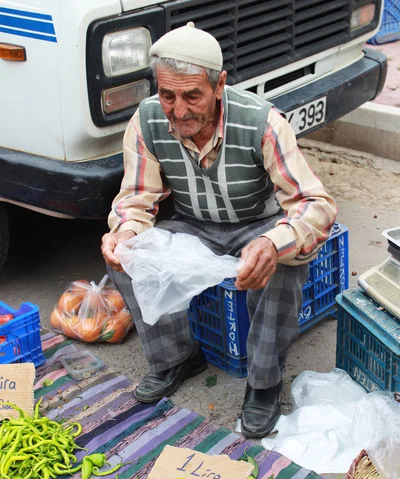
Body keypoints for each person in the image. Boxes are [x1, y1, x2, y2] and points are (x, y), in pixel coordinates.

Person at [101, 22, 337, 438]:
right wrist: (124, 231)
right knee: (127, 255)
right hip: (195, 225)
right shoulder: (148, 121)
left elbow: (316, 205)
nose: (178, 109)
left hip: (258, 223)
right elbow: (136, 199)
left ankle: (264, 383)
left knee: (285, 258)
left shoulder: (263, 123)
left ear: (219, 85)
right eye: (168, 95)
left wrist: (271, 241)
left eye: (193, 95)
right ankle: (177, 357)